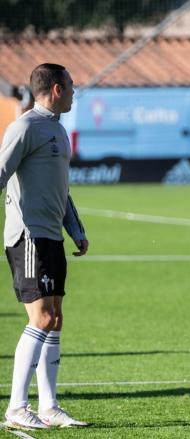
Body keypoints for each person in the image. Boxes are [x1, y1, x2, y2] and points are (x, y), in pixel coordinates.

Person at [1, 63, 88, 429]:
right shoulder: (24, 126)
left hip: (51, 235)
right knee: (42, 318)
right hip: (29, 236)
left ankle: (49, 407)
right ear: (55, 89)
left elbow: (61, 191)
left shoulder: (57, 130)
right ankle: (17, 408)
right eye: (70, 86)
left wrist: (76, 229)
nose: (73, 91)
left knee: (55, 320)